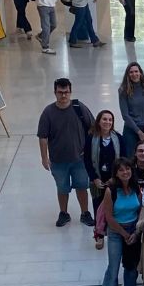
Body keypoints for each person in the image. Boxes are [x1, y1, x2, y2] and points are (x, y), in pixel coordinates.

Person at [38, 78, 96, 228]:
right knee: (62, 188)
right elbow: (43, 137)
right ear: (55, 93)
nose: (63, 96)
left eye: (66, 92)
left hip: (80, 159)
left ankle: (85, 213)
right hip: (58, 161)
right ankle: (63, 213)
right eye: (60, 92)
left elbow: (92, 127)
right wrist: (45, 158)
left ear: (70, 92)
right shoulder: (48, 112)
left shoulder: (79, 107)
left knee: (82, 186)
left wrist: (91, 151)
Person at [95, 158, 142, 286]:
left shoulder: (136, 188)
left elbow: (140, 210)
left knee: (131, 266)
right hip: (116, 232)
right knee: (113, 268)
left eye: (127, 169)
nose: (125, 172)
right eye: (121, 170)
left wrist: (135, 232)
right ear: (116, 173)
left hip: (133, 230)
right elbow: (109, 217)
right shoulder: (111, 190)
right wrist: (124, 233)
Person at [84, 110, 124, 239]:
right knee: (98, 206)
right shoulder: (91, 138)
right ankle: (99, 234)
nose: (107, 122)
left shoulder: (118, 138)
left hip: (114, 180)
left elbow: (123, 160)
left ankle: (114, 232)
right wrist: (94, 178)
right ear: (99, 121)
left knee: (115, 206)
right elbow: (87, 160)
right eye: (104, 119)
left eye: (110, 120)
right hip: (98, 180)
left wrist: (116, 178)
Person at [119, 62, 144, 156]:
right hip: (131, 129)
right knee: (130, 158)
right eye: (131, 72)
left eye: (136, 71)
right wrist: (139, 132)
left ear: (140, 72)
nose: (134, 74)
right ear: (128, 75)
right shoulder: (123, 90)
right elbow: (125, 115)